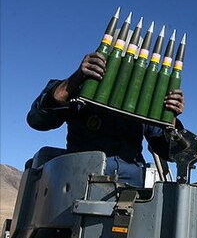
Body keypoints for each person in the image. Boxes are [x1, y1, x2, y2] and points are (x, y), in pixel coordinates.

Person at [27, 52, 186, 187]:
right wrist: (75, 80)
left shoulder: (144, 104)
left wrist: (170, 118)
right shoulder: (79, 89)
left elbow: (170, 153)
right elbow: (37, 120)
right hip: (79, 183)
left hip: (131, 191)